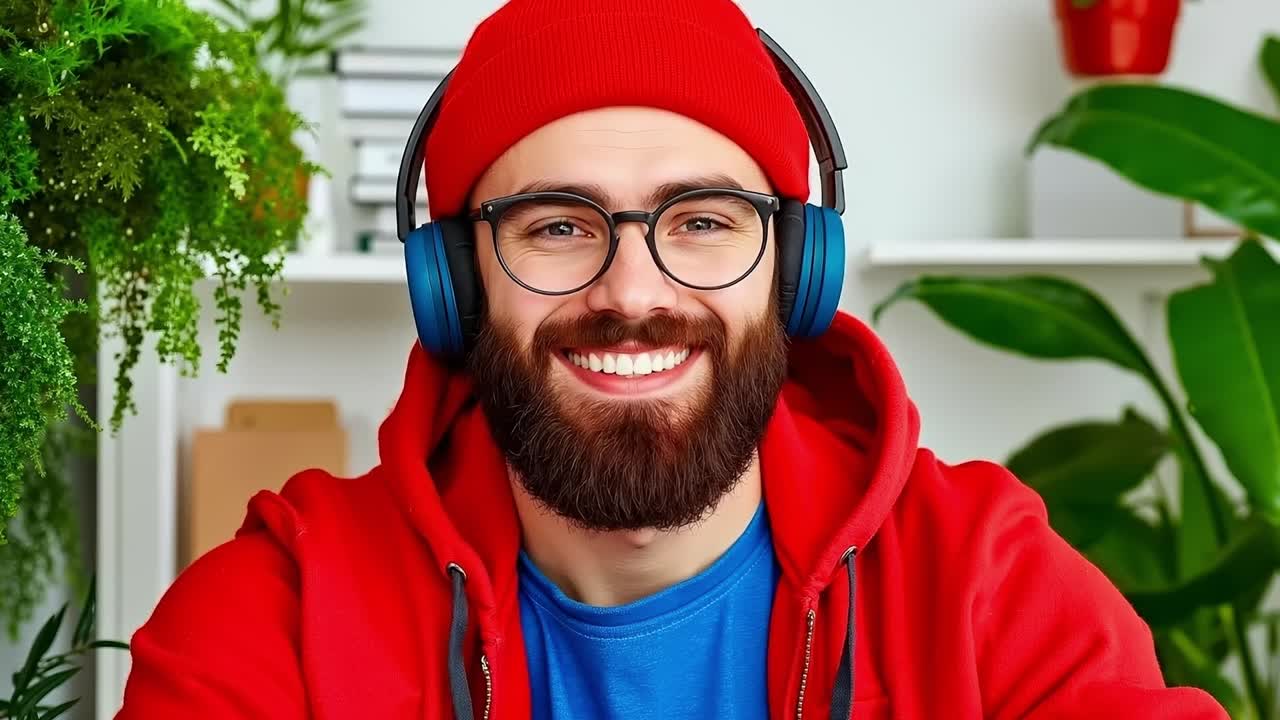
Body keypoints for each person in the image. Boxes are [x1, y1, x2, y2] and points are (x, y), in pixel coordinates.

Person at [115, 0, 1229, 718]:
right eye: (556, 225)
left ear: (795, 270)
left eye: (701, 221)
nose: (634, 294)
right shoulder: (281, 611)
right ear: (455, 285)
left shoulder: (985, 587)